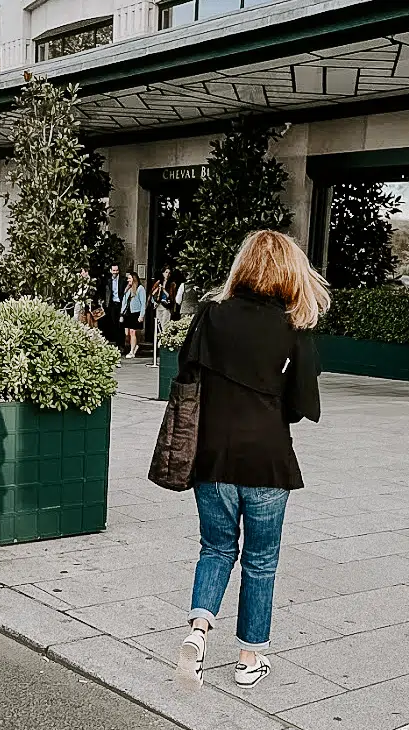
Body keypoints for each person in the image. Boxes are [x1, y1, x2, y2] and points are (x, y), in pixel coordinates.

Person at [175, 230, 328, 690]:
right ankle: (248, 660)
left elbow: (185, 374)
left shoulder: (210, 315)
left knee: (215, 548)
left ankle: (198, 635)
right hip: (267, 463)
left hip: (213, 460)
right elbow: (304, 407)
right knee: (261, 561)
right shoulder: (294, 330)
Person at [120, 271, 146, 357]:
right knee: (126, 333)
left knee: (132, 332)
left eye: (130, 278)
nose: (128, 280)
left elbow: (143, 303)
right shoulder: (128, 288)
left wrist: (141, 315)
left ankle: (132, 351)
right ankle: (134, 345)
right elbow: (124, 302)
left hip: (136, 312)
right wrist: (121, 314)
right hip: (128, 313)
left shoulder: (140, 288)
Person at [102, 262, 125, 351]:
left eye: (117, 270)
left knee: (120, 324)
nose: (115, 272)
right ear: (111, 271)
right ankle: (114, 343)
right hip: (111, 304)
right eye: (113, 270)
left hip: (120, 304)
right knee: (112, 323)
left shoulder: (123, 280)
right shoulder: (108, 280)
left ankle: (121, 345)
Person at [150, 265, 178, 334]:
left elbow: (170, 296)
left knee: (165, 324)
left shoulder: (172, 284)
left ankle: (164, 340)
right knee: (158, 323)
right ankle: (158, 340)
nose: (167, 274)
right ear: (163, 273)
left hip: (167, 305)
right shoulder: (158, 282)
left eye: (169, 273)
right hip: (159, 304)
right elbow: (152, 293)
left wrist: (163, 289)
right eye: (166, 272)